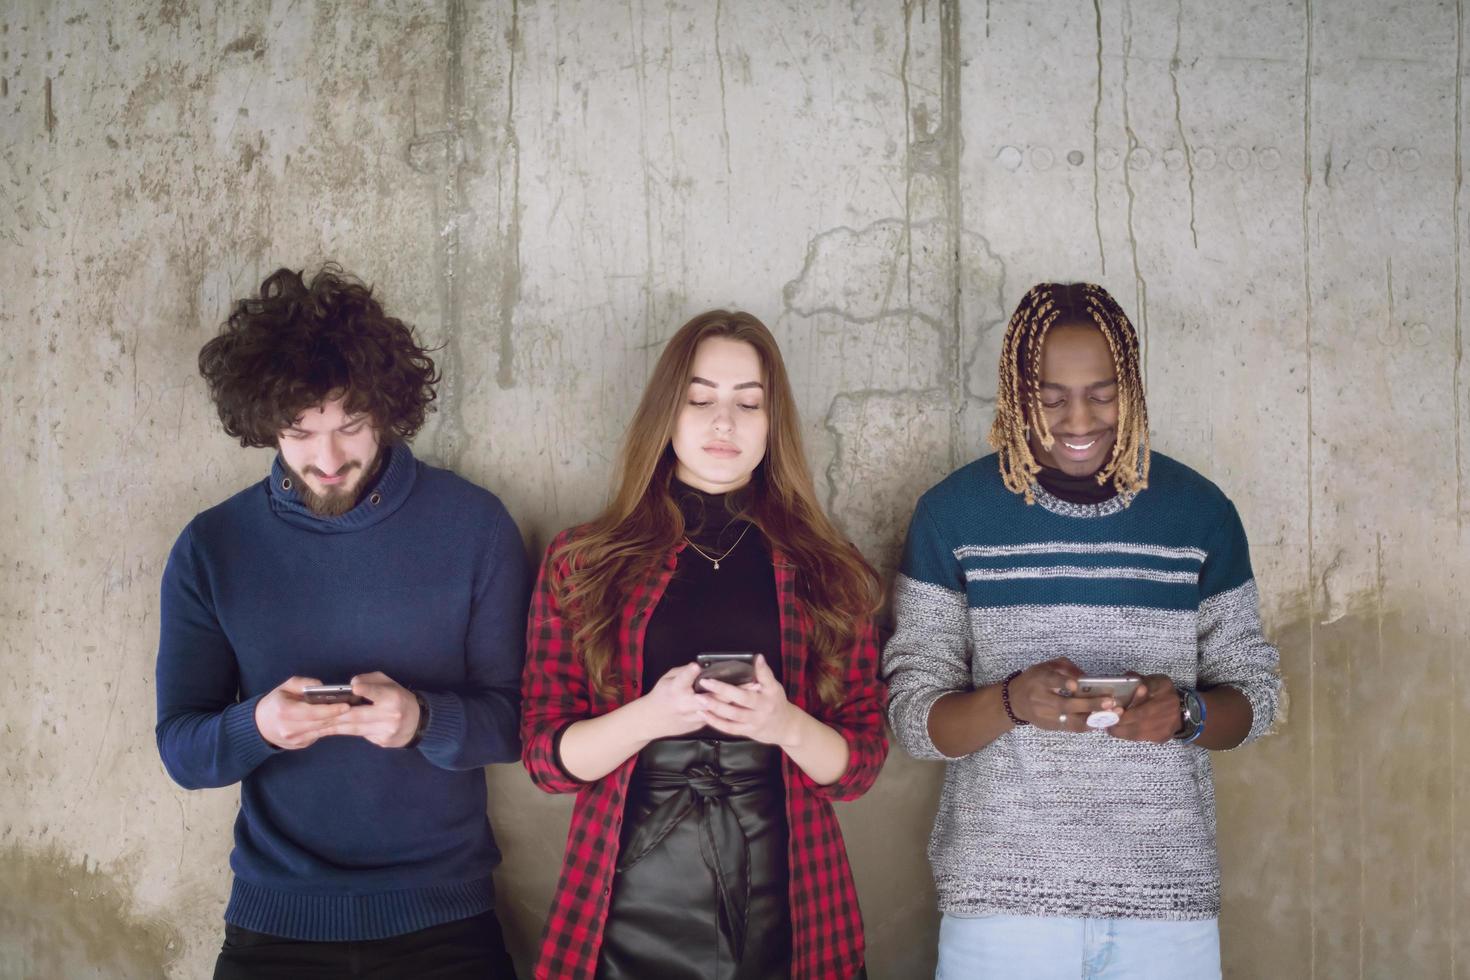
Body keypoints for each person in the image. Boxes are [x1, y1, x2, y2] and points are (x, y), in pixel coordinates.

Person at [883, 281, 1282, 979]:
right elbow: (913, 718)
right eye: (1050, 395)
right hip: (1001, 904)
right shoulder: (954, 516)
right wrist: (1011, 702)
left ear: (1131, 389)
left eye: (1101, 393)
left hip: (1166, 901)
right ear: (1015, 393)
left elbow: (1259, 697)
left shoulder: (1198, 514)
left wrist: (1184, 712)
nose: (1078, 417)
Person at [155, 265, 529, 979]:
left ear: (388, 410)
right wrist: (258, 727)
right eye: (299, 432)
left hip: (444, 919)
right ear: (264, 422)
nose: (327, 460)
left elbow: (518, 721)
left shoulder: (474, 527)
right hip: (274, 921)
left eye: (350, 427)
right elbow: (181, 748)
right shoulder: (212, 547)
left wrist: (422, 719)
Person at [521, 310, 887, 980]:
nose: (725, 424)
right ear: (667, 411)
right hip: (625, 896)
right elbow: (547, 762)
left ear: (774, 423)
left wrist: (783, 723)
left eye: (749, 403)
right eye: (700, 400)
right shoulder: (584, 559)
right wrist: (650, 718)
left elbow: (860, 765)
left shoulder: (830, 567)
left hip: (791, 896)